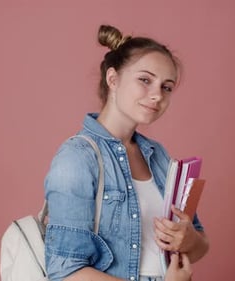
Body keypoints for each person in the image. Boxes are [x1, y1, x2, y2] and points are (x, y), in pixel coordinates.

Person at [44, 24, 209, 281]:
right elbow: (66, 272)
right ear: (113, 79)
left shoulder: (159, 156)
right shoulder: (77, 158)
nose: (157, 96)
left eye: (166, 87)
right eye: (145, 80)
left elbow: (201, 244)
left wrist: (189, 239)